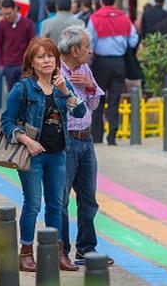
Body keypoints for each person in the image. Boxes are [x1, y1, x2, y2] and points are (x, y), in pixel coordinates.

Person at [0, 38, 86, 272]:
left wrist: (65, 91)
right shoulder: (23, 88)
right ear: (32, 62)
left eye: (50, 56)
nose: (46, 60)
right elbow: (6, 122)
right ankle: (26, 252)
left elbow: (80, 112)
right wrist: (27, 141)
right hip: (32, 156)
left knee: (57, 205)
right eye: (40, 57)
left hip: (58, 154)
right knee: (33, 204)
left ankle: (56, 253)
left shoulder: (62, 85)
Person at [57, 25, 114, 266]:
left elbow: (93, 104)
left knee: (88, 198)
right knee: (60, 200)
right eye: (87, 47)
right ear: (73, 49)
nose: (90, 51)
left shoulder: (84, 69)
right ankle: (61, 251)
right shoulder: (55, 70)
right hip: (65, 141)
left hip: (86, 139)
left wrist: (89, 86)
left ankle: (86, 248)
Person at [87, 0, 139, 145]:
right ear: (114, 1)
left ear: (102, 1)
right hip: (119, 63)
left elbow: (90, 43)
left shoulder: (95, 18)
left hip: (101, 63)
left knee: (98, 99)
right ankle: (112, 137)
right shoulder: (124, 18)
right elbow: (133, 40)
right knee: (115, 100)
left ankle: (97, 136)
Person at [0, 0, 36, 90]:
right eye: (4, 14)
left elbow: (33, 44)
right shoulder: (1, 25)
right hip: (8, 65)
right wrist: (1, 64)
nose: (7, 16)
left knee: (24, 91)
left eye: (9, 13)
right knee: (12, 93)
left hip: (24, 65)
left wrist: (30, 62)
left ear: (15, 9)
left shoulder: (27, 23)